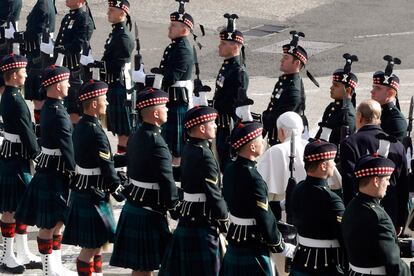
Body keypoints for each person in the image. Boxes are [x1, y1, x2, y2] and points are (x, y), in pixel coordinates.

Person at [110, 87, 179, 276]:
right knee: (146, 268)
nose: (167, 109)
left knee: (141, 268)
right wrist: (174, 206)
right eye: (164, 107)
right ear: (155, 113)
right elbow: (166, 180)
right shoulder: (157, 142)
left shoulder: (137, 135)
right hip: (149, 212)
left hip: (135, 206)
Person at [15, 65, 75, 275]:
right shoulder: (58, 113)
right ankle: (50, 269)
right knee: (50, 225)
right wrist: (75, 170)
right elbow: (67, 147)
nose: (68, 85)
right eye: (66, 82)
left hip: (51, 171)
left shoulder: (51, 107)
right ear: (58, 87)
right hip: (54, 173)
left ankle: (55, 266)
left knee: (56, 223)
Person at [62, 79, 124, 276]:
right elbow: (105, 165)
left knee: (98, 242)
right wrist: (118, 189)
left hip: (85, 189)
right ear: (95, 104)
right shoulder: (95, 130)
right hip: (93, 192)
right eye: (104, 99)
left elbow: (103, 159)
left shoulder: (81, 125)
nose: (107, 102)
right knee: (90, 247)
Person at [159, 106, 228, 276]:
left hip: (188, 218)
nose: (216, 126)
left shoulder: (189, 148)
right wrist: (224, 218)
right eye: (212, 122)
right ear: (202, 128)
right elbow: (213, 193)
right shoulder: (205, 154)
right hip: (203, 223)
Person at [221, 121, 294, 275]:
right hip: (253, 241)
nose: (264, 141)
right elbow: (263, 216)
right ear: (252, 147)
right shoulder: (253, 177)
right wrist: (279, 245)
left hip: (235, 236)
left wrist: (279, 205)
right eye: (261, 139)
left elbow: (245, 203)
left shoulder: (230, 169)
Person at [340, 99, 409, 233]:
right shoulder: (397, 145)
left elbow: (349, 183)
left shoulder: (350, 143)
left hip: (361, 215)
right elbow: (403, 186)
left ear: (359, 117)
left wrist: (349, 216)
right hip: (390, 215)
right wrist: (401, 219)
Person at [0, 54, 40, 274]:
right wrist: (38, 155)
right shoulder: (15, 98)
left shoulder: (11, 95)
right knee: (10, 209)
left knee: (19, 208)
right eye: (23, 71)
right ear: (14, 75)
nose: (26, 74)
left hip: (14, 156)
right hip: (16, 158)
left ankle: (22, 251)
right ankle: (7, 256)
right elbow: (26, 131)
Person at [342, 154, 410, 275]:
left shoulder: (352, 206)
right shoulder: (378, 216)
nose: (389, 184)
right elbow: (394, 263)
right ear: (376, 181)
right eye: (387, 179)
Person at [290, 140, 345, 275]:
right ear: (324, 165)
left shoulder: (297, 188)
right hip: (326, 263)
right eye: (332, 161)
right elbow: (344, 235)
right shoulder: (331, 199)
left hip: (301, 257)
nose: (334, 164)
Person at [157, 2, 194, 177]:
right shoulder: (174, 46)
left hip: (178, 99)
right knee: (169, 143)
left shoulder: (184, 49)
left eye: (174, 25)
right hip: (171, 98)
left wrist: (153, 79)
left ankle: (176, 179)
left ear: (185, 29)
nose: (170, 27)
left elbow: (172, 77)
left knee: (177, 147)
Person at [213, 13, 248, 171]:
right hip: (220, 122)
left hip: (228, 124)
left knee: (227, 163)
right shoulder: (227, 66)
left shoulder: (238, 72)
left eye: (224, 43)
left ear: (235, 47)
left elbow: (235, 102)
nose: (219, 46)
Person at [98, 0, 133, 154]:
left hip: (120, 84)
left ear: (122, 14)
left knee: (124, 131)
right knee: (119, 130)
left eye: (111, 10)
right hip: (114, 84)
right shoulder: (117, 33)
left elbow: (117, 65)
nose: (108, 13)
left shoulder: (124, 36)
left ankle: (124, 166)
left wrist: (98, 66)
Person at [257, 111, 307, 221]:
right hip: (306, 211)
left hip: (280, 213)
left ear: (281, 131)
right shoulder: (310, 147)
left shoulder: (275, 151)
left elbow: (262, 188)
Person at [262, 31, 308, 146]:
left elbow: (282, 118)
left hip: (283, 142)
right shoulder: (285, 80)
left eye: (286, 58)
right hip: (276, 137)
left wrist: (262, 121)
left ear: (297, 63)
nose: (281, 60)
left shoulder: (293, 90)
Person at [51, 0, 94, 124]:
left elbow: (79, 44)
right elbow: (61, 38)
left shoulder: (84, 19)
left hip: (74, 68)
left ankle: (74, 136)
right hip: (63, 65)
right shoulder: (69, 17)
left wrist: (64, 48)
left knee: (74, 108)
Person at [18, 0, 56, 133]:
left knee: (39, 99)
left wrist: (19, 35)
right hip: (39, 55)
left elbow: (37, 34)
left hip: (37, 56)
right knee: (38, 99)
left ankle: (41, 130)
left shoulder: (43, 4)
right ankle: (41, 128)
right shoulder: (46, 3)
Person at [315, 54, 357, 146]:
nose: (331, 88)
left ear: (348, 90)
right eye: (332, 84)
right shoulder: (332, 107)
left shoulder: (347, 114)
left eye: (336, 85)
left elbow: (344, 145)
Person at [371, 55, 407, 142]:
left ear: (390, 93)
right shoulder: (373, 112)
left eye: (378, 88)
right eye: (373, 87)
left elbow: (394, 152)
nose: (372, 91)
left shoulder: (396, 121)